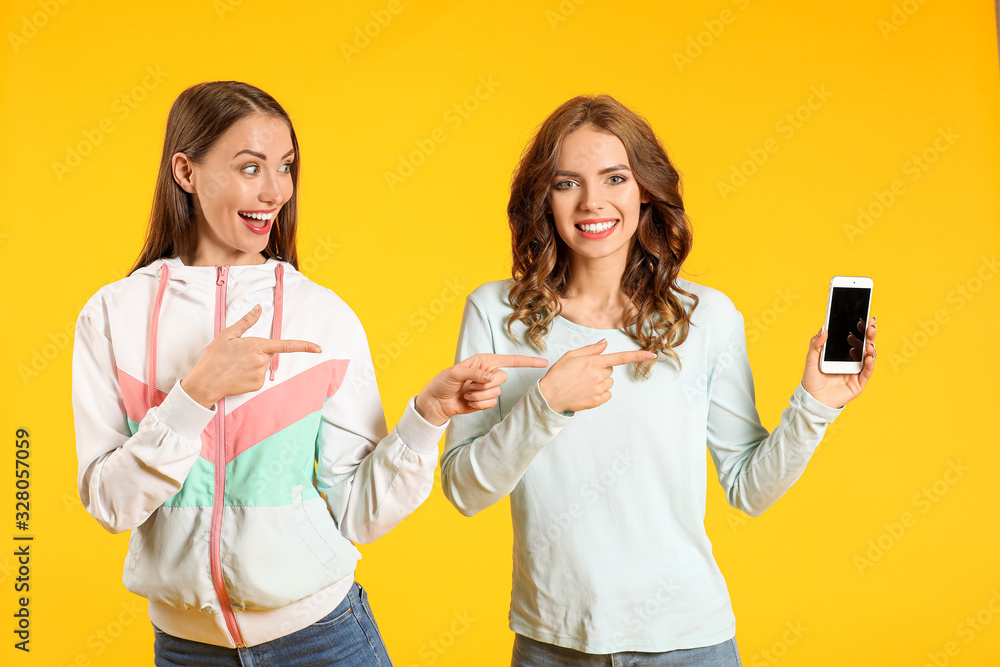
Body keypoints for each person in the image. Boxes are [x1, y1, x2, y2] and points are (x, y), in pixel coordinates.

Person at [71, 80, 544, 666]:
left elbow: (359, 514)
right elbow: (110, 504)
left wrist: (427, 418)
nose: (275, 191)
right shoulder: (113, 315)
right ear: (186, 172)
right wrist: (192, 397)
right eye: (250, 167)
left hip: (322, 640)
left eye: (286, 167)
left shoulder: (322, 314)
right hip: (187, 652)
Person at [440, 95, 877, 666]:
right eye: (568, 183)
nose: (592, 201)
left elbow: (749, 489)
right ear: (544, 197)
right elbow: (464, 491)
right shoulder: (497, 313)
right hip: (552, 645)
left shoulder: (708, 316)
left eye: (615, 178)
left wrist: (815, 405)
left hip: (688, 643)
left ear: (644, 189)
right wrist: (544, 404)